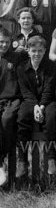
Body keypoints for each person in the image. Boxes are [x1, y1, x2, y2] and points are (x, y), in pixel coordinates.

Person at [16, 35, 56, 177]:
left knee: (52, 117)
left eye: (40, 51)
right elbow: (25, 91)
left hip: (47, 101)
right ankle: (22, 160)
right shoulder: (22, 67)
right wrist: (34, 105)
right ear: (28, 50)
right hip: (30, 101)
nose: (36, 54)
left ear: (45, 51)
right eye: (33, 50)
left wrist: (41, 106)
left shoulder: (51, 67)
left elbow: (49, 88)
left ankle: (52, 158)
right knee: (22, 117)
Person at [0, 28, 22, 186]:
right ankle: (1, 164)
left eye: (7, 42)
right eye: (1, 42)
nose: (4, 45)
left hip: (13, 99)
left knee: (7, 121)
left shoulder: (16, 57)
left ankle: (1, 160)